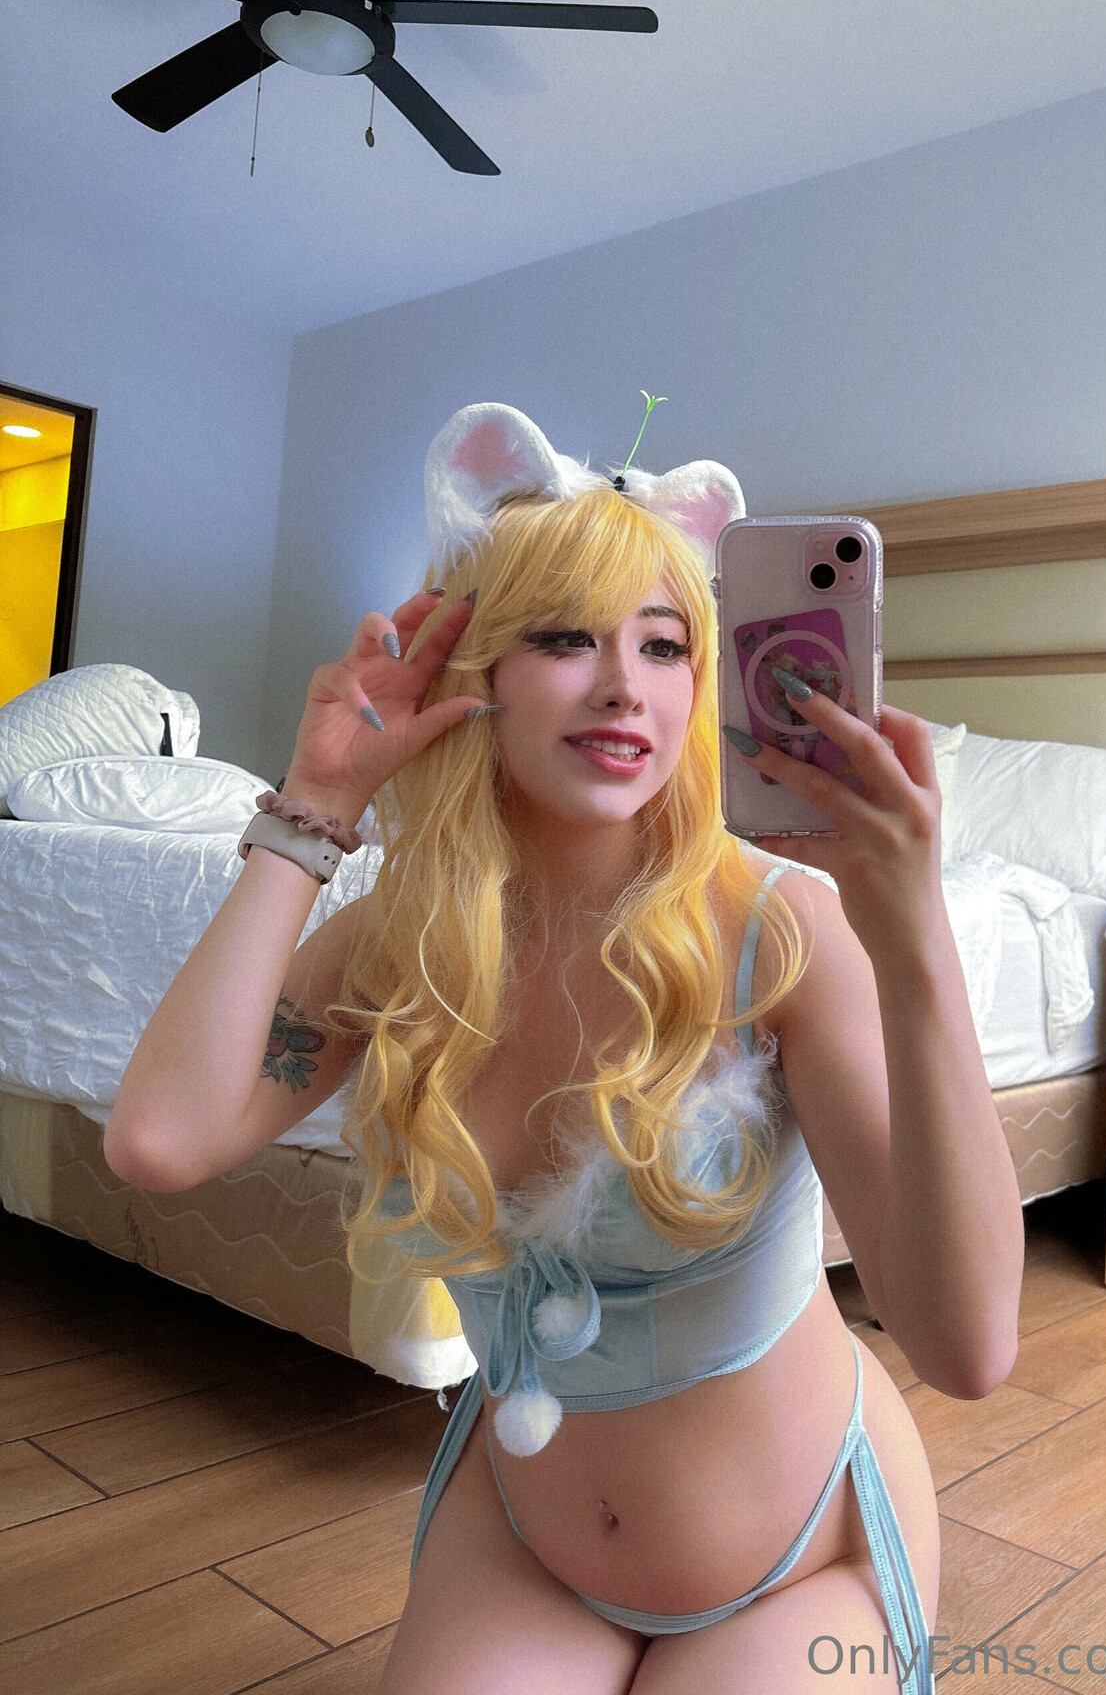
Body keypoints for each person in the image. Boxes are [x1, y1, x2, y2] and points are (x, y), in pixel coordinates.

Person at [106, 404, 1026, 1695]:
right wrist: (314, 806)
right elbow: (160, 1139)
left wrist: (913, 938)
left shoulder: (779, 932)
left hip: (803, 1557)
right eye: (563, 638)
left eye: (665, 644)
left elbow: (968, 1349)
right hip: (528, 1547)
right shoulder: (406, 938)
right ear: (473, 666)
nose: (624, 686)